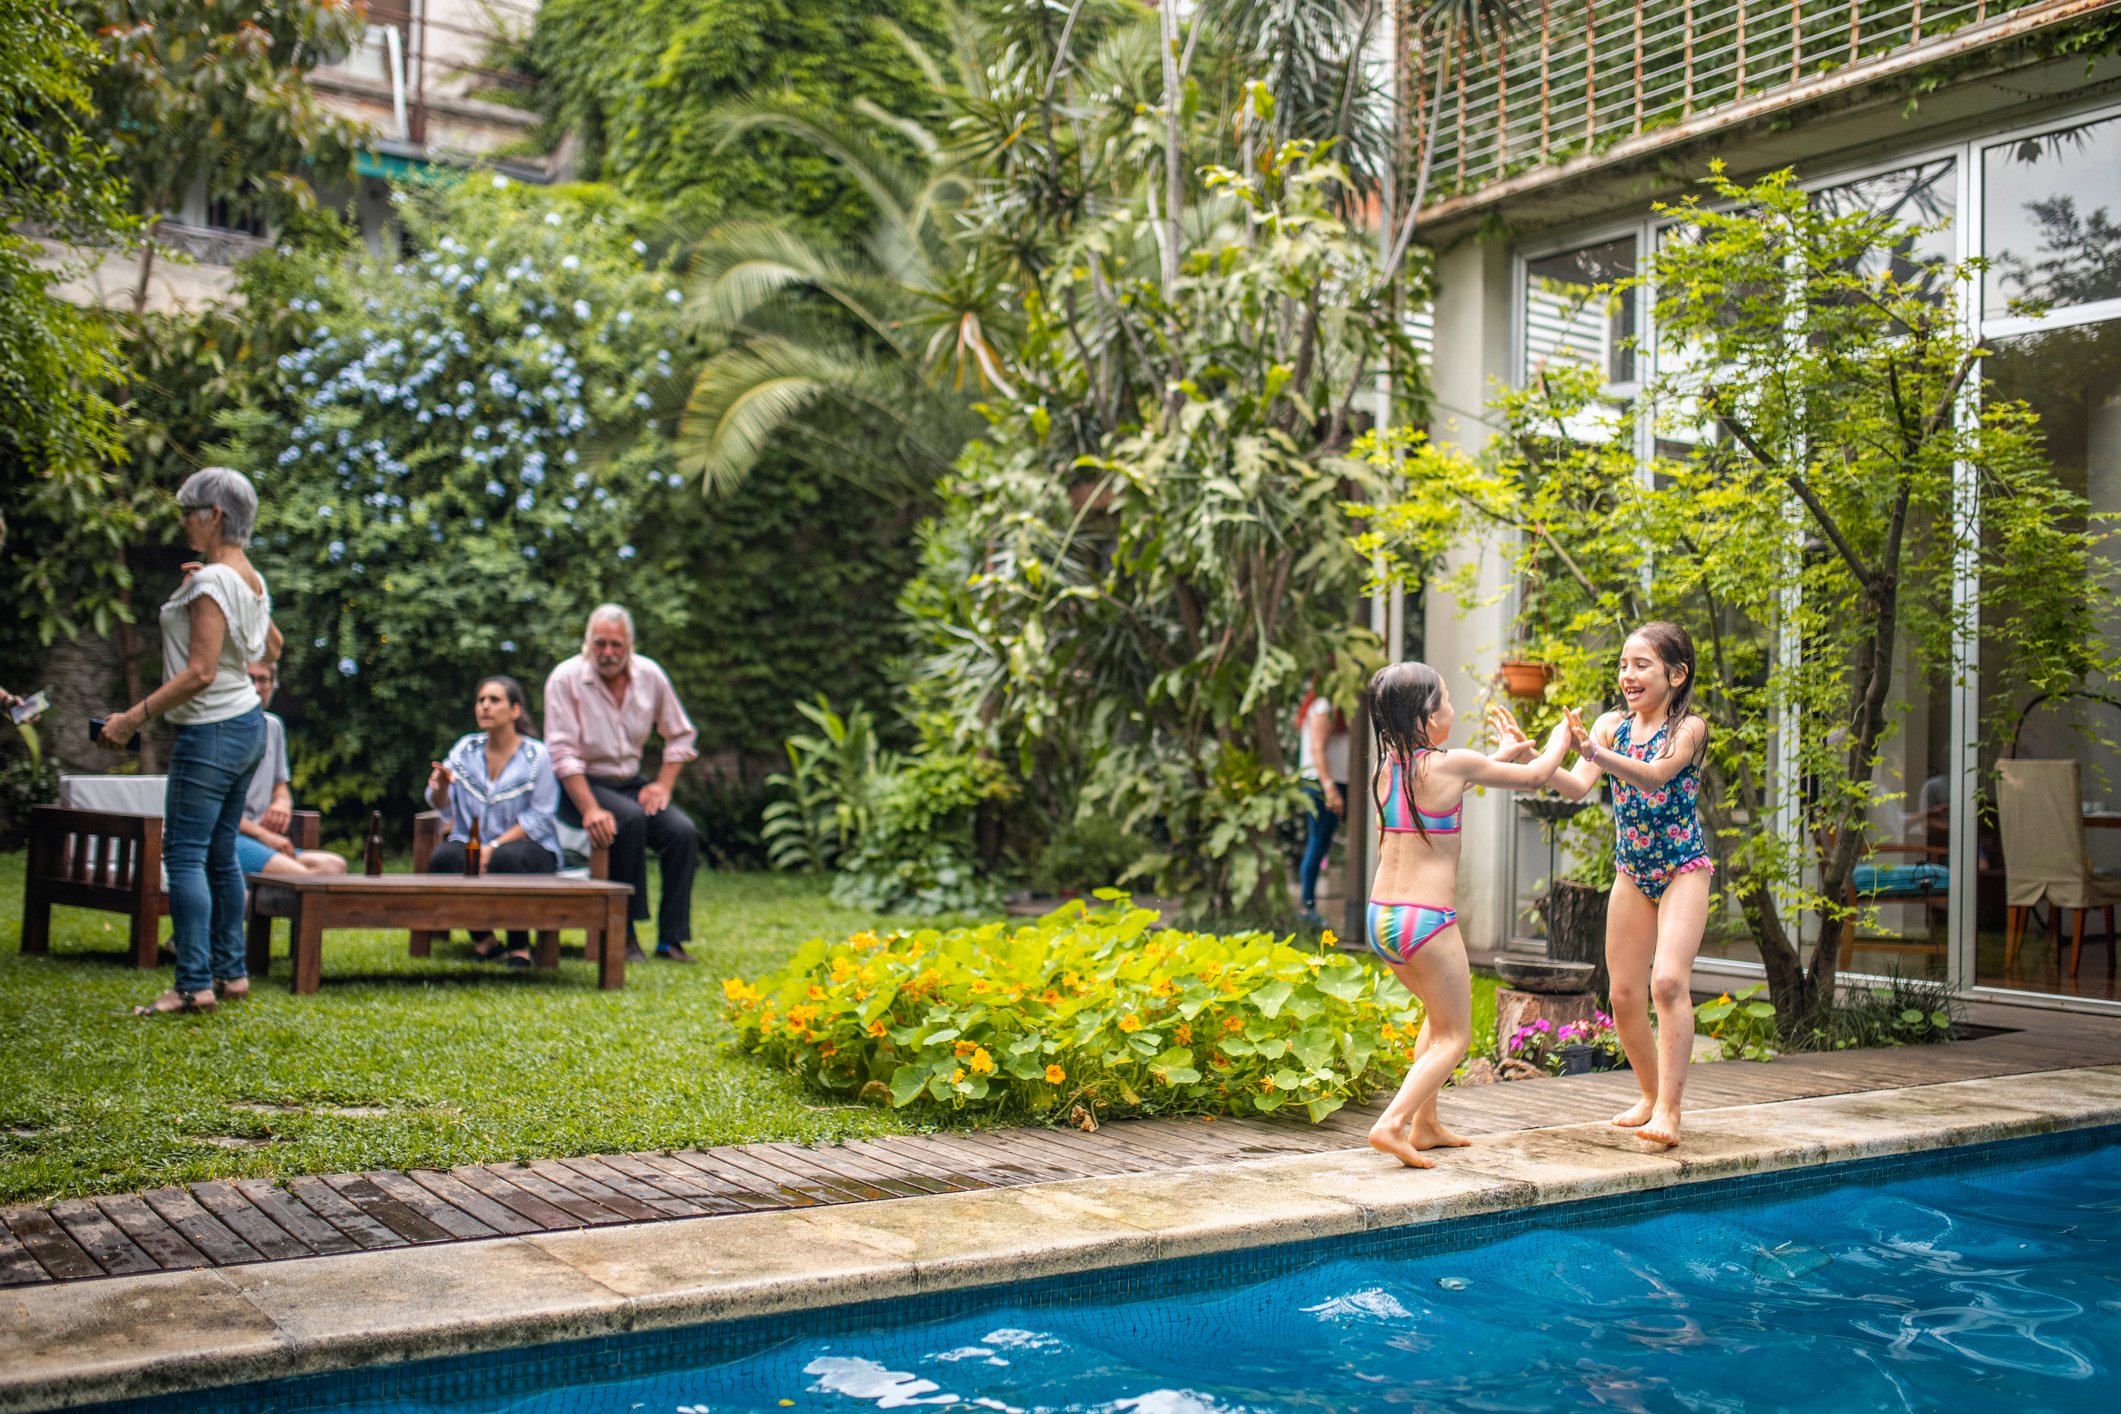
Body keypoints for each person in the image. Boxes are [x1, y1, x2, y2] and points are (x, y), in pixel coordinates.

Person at [1362, 663, 1571, 1168]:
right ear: (1427, 717)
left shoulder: (1387, 767)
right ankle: (1391, 1123)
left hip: (1383, 917)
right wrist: (1563, 735)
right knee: (1456, 1037)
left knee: (1437, 1019)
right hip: (1427, 921)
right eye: (1448, 701)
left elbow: (1456, 782)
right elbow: (1540, 776)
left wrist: (1500, 757)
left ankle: (1426, 1124)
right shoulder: (1452, 763)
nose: (1453, 710)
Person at [99, 467, 279, 1016]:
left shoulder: (212, 582)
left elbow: (200, 672)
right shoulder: (247, 579)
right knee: (221, 854)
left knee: (184, 854)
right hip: (247, 726)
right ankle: (232, 974)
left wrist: (131, 718)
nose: (183, 524)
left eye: (188, 513)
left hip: (212, 730)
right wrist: (206, 589)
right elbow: (272, 645)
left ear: (215, 515)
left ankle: (192, 984)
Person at [1549, 621, 1713, 1148]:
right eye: (1623, 665)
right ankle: (1648, 1094)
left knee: (1666, 983)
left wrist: (1592, 752)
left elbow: (1654, 776)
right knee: (1621, 996)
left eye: (1641, 664)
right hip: (1632, 872)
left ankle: (1670, 1108)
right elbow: (1576, 786)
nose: (1628, 675)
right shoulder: (1611, 726)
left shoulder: (1688, 729)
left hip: (1683, 868)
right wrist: (1541, 758)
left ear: (1676, 673)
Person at [543, 605, 700, 963]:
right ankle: (623, 932)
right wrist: (591, 809)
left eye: (616, 644)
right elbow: (563, 754)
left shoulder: (650, 675)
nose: (608, 653)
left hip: (630, 782)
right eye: (600, 644)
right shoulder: (564, 678)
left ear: (629, 644)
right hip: (577, 787)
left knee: (682, 832)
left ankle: (671, 939)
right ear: (587, 643)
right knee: (628, 819)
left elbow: (681, 736)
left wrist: (662, 786)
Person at [424, 675, 563, 967]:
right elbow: (441, 806)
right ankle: (485, 940)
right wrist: (441, 787)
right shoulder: (465, 749)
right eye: (480, 700)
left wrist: (493, 846)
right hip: (473, 843)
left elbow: (539, 818)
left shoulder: (538, 756)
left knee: (506, 859)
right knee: (444, 857)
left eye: (494, 700)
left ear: (514, 710)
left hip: (530, 849)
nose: (485, 706)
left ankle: (519, 947)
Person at [235, 661, 347, 879]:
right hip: (229, 839)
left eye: (263, 680)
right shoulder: (218, 731)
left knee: (334, 866)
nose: (256, 688)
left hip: (261, 841)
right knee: (307, 880)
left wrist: (282, 802)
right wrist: (265, 835)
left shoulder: (273, 727)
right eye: (249, 679)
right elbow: (214, 808)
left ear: (272, 686)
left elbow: (280, 786)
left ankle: (255, 902)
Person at [1296, 681, 1351, 927]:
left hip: (1330, 782)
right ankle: (1307, 908)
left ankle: (1308, 908)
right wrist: (1329, 789)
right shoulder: (1323, 705)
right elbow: (1317, 748)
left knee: (1321, 843)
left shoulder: (1331, 704)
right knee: (1317, 842)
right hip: (1322, 784)